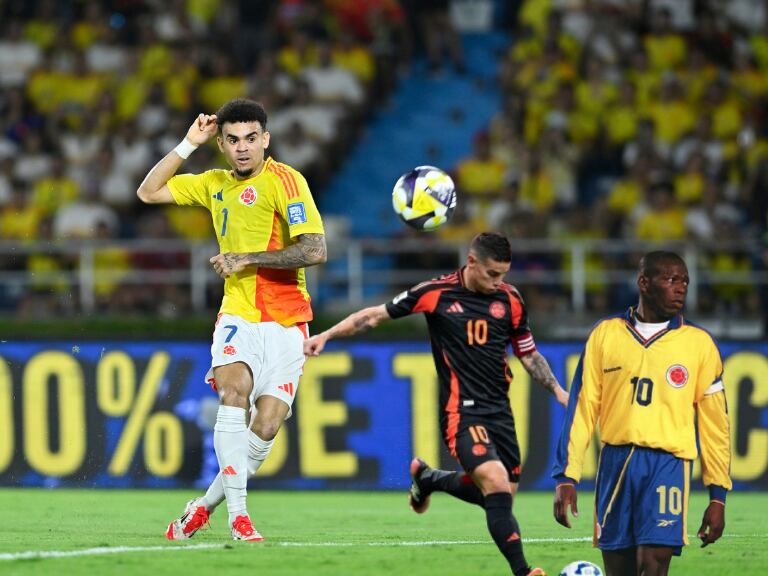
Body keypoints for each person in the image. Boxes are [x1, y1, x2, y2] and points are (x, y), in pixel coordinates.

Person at [305, 232, 568, 576]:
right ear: (471, 261)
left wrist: (558, 391)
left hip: (499, 411)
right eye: (492, 274)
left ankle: (429, 479)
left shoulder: (511, 299)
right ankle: (524, 571)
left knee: (498, 494)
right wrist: (326, 335)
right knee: (496, 482)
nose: (498, 282)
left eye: (503, 274)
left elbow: (528, 353)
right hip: (461, 410)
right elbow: (373, 317)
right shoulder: (435, 293)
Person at [136, 98, 326, 541]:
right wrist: (187, 144)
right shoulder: (213, 183)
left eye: (251, 138)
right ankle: (239, 518)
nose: (243, 148)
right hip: (238, 314)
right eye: (233, 140)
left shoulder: (287, 181)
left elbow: (314, 250)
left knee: (267, 426)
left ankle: (202, 505)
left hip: (286, 320)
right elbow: (148, 192)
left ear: (266, 140)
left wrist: (247, 259)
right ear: (221, 144)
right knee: (233, 394)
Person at [552, 251, 732, 576]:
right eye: (671, 279)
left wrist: (717, 495)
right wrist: (567, 475)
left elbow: (715, 425)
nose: (680, 288)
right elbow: (583, 407)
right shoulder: (605, 334)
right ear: (644, 283)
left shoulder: (699, 344)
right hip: (615, 463)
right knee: (618, 568)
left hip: (668, 465)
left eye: (685, 281)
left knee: (654, 563)